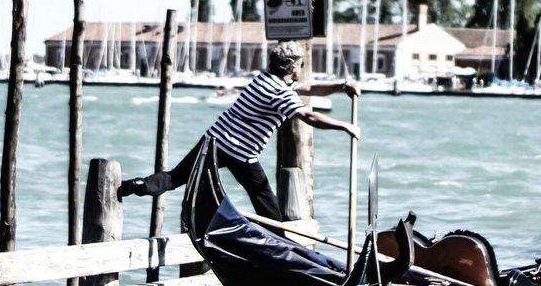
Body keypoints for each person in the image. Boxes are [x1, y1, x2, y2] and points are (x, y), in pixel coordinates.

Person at [116, 41, 360, 219]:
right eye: (301, 64)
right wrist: (345, 126)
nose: (302, 69)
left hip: (214, 140)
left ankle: (137, 185)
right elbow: (307, 115)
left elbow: (310, 88)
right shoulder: (281, 93)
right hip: (241, 153)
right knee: (261, 194)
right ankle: (279, 235)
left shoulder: (262, 79)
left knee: (176, 177)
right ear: (292, 67)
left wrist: (343, 85)